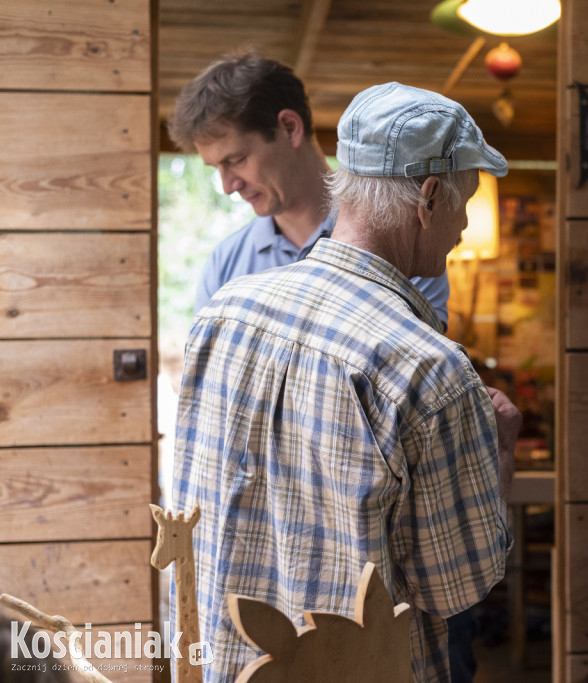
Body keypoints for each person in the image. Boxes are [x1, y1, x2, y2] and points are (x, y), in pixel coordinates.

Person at [171, 81, 520, 683]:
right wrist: (501, 445)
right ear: (430, 197)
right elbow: (456, 586)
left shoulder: (223, 313)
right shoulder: (428, 367)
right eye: (465, 200)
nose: (463, 225)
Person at [167, 53, 450, 326]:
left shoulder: (403, 237)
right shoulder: (224, 264)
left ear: (290, 128)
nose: (228, 186)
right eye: (215, 167)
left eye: (237, 160)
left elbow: (418, 365)